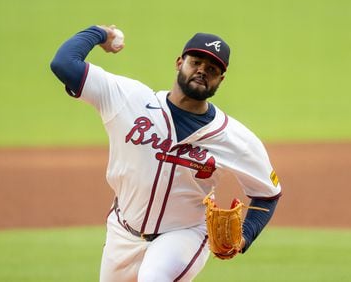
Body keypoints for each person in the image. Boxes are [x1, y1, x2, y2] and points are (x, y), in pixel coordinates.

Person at [50, 24, 282, 282]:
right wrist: (99, 33)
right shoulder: (128, 99)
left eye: (212, 69)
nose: (202, 70)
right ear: (179, 62)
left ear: (221, 80)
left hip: (184, 234)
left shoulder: (234, 138)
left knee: (154, 278)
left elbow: (267, 193)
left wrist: (244, 236)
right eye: (196, 62)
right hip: (122, 232)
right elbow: (64, 63)